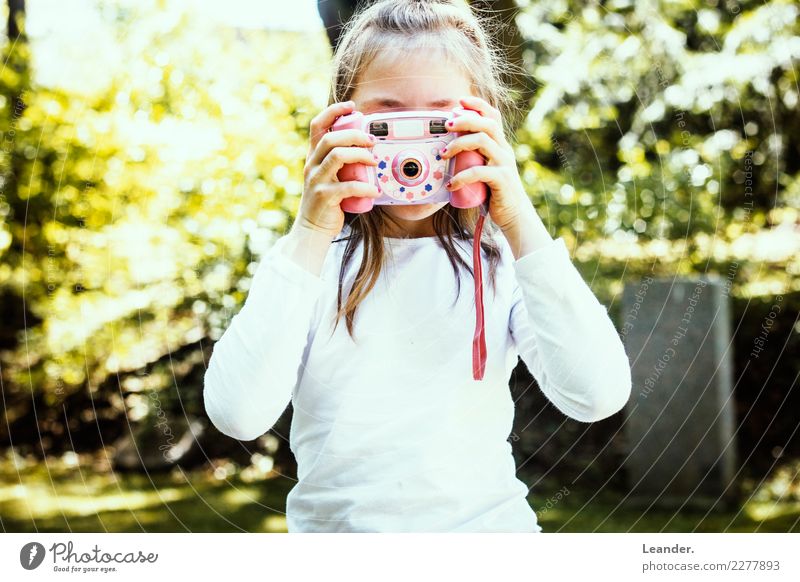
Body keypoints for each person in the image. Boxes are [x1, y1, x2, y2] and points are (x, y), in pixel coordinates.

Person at [203, 0, 632, 532]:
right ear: (340, 124)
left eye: (437, 123)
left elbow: (598, 394)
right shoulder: (307, 263)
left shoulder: (501, 259)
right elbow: (239, 415)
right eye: (389, 122)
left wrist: (517, 215)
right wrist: (311, 231)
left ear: (483, 128)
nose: (414, 152)